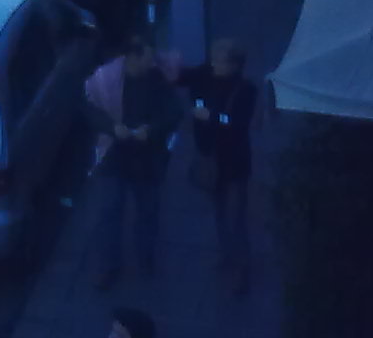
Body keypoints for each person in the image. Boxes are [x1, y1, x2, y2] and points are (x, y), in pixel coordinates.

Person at [87, 37, 183, 289]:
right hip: (115, 156)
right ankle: (108, 266)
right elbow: (90, 109)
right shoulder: (107, 79)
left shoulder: (158, 80)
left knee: (147, 213)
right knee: (109, 212)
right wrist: (112, 127)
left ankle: (145, 258)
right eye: (147, 58)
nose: (152, 63)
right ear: (132, 56)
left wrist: (151, 130)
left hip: (147, 157)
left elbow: (174, 113)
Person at [178, 37, 258, 292]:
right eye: (213, 58)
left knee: (235, 217)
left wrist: (210, 116)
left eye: (219, 60)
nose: (213, 64)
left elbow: (235, 123)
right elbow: (187, 81)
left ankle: (242, 268)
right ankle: (226, 255)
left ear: (234, 65)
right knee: (220, 213)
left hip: (234, 163)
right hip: (211, 159)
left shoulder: (245, 91)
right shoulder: (206, 75)